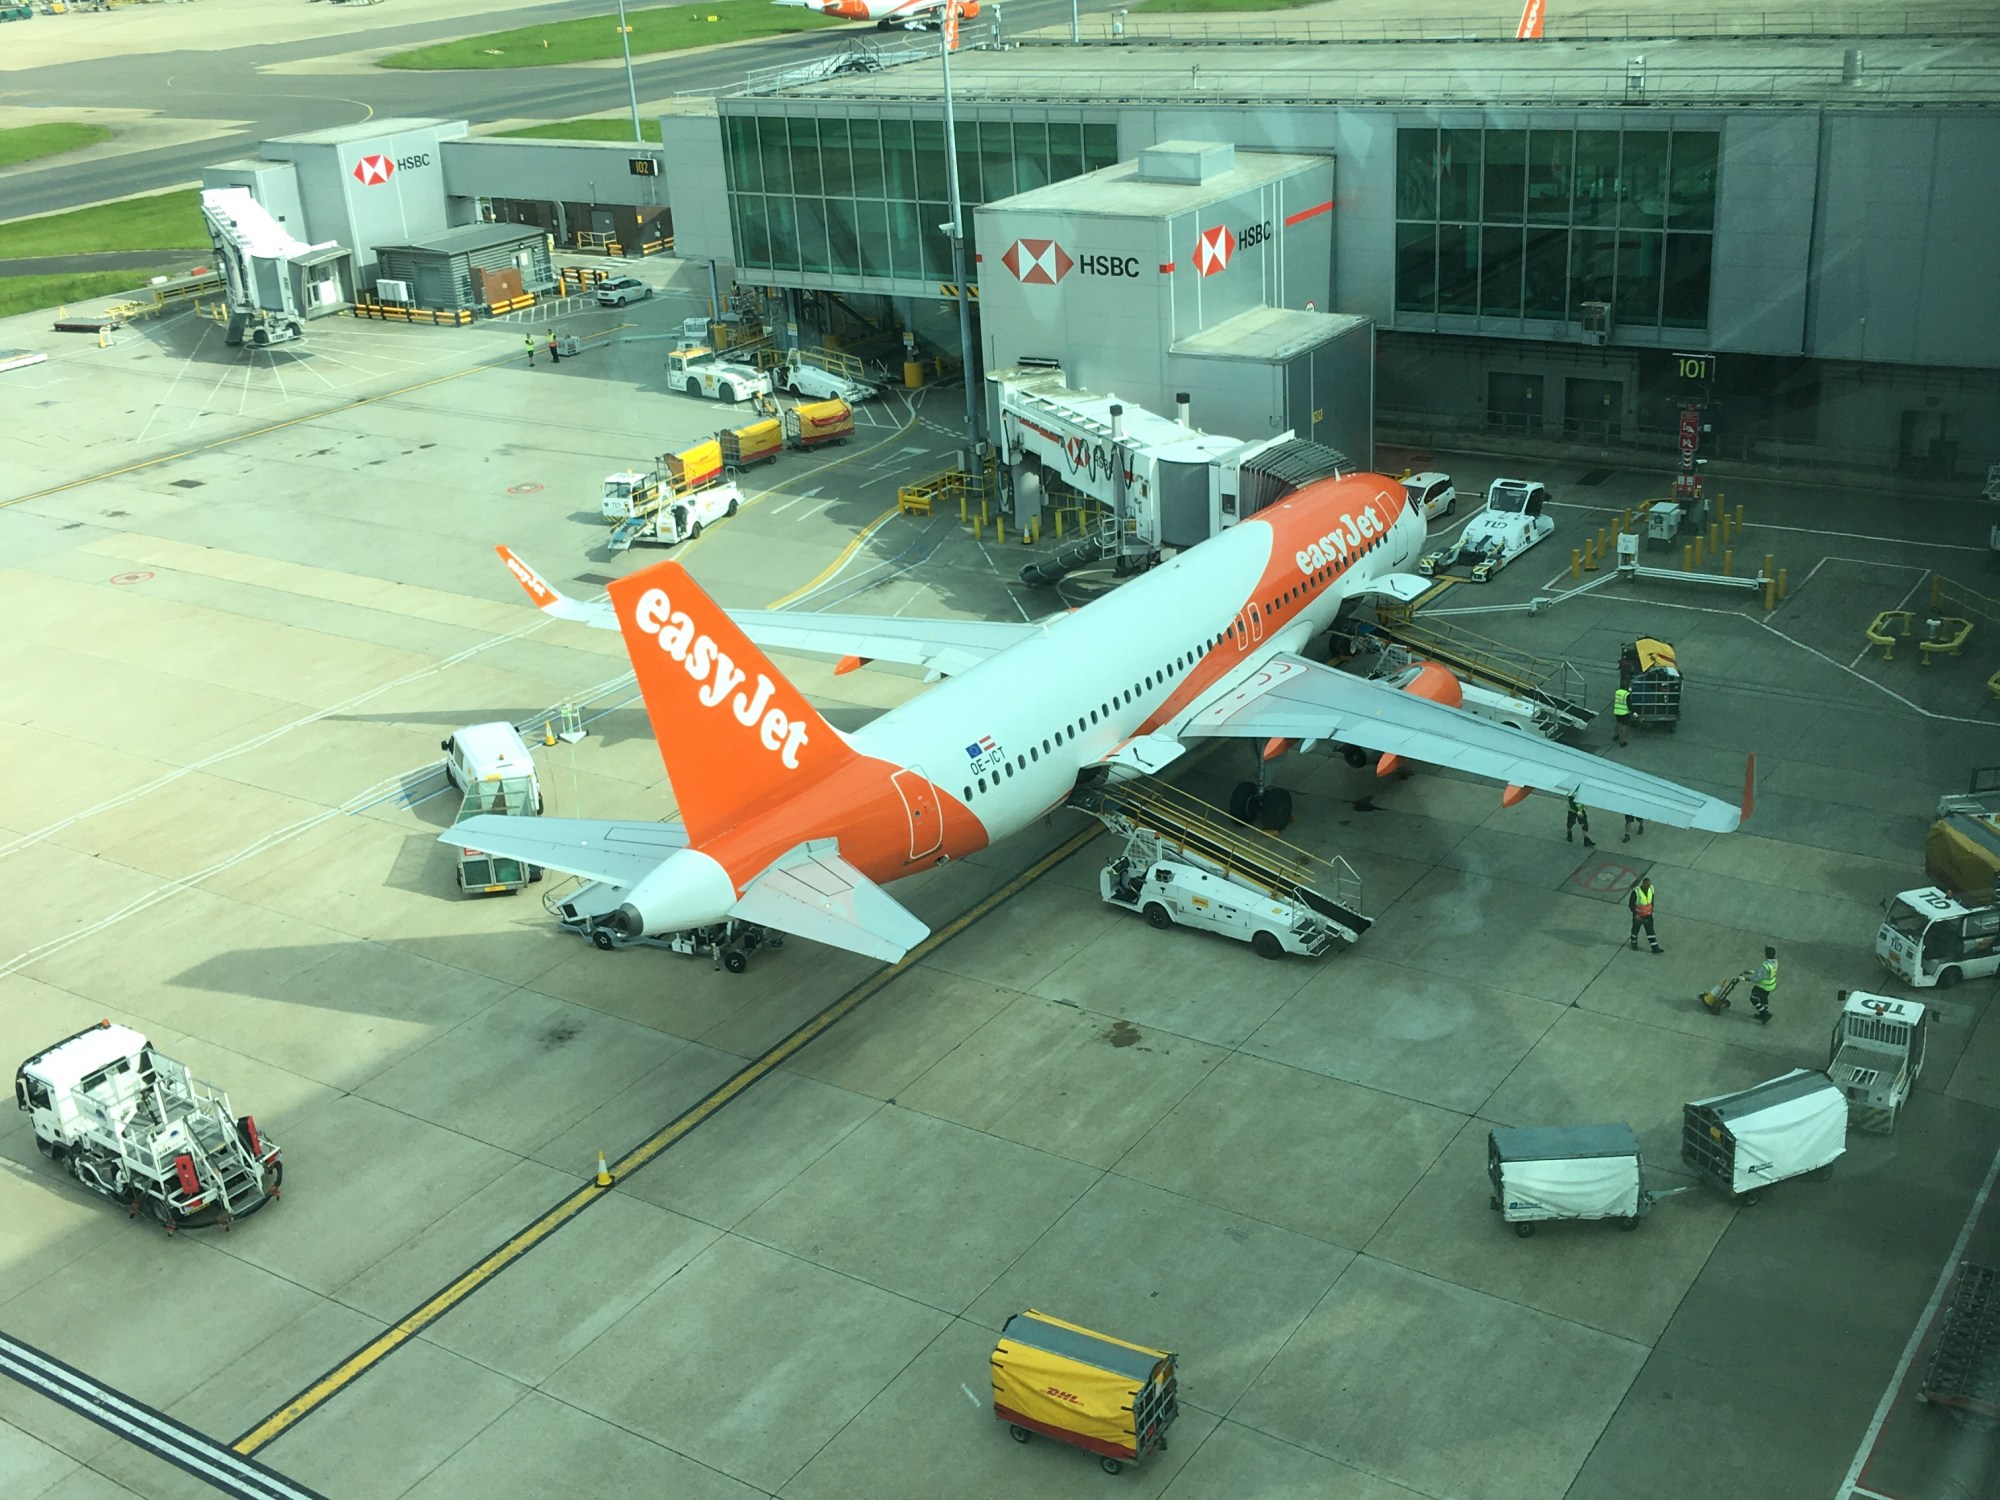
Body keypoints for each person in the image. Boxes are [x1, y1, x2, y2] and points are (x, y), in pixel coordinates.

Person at [1628, 876, 1662, 954]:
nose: (1648, 886)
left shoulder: (1651, 889)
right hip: (1638, 915)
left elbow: (1652, 898)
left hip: (1648, 915)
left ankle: (1655, 948)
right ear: (1643, 884)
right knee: (1635, 930)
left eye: (1649, 884)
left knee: (1650, 931)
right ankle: (1633, 943)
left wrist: (1652, 907)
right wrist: (1636, 914)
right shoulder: (1636, 892)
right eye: (1647, 884)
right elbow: (1631, 904)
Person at [1748, 945, 1778, 1024]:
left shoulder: (1765, 966)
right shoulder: (1775, 962)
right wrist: (1754, 972)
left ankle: (1765, 1014)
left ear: (1766, 955)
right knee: (1764, 998)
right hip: (1770, 985)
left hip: (1763, 986)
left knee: (1753, 998)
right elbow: (1765, 973)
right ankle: (1763, 1012)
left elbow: (1757, 978)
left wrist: (1746, 979)